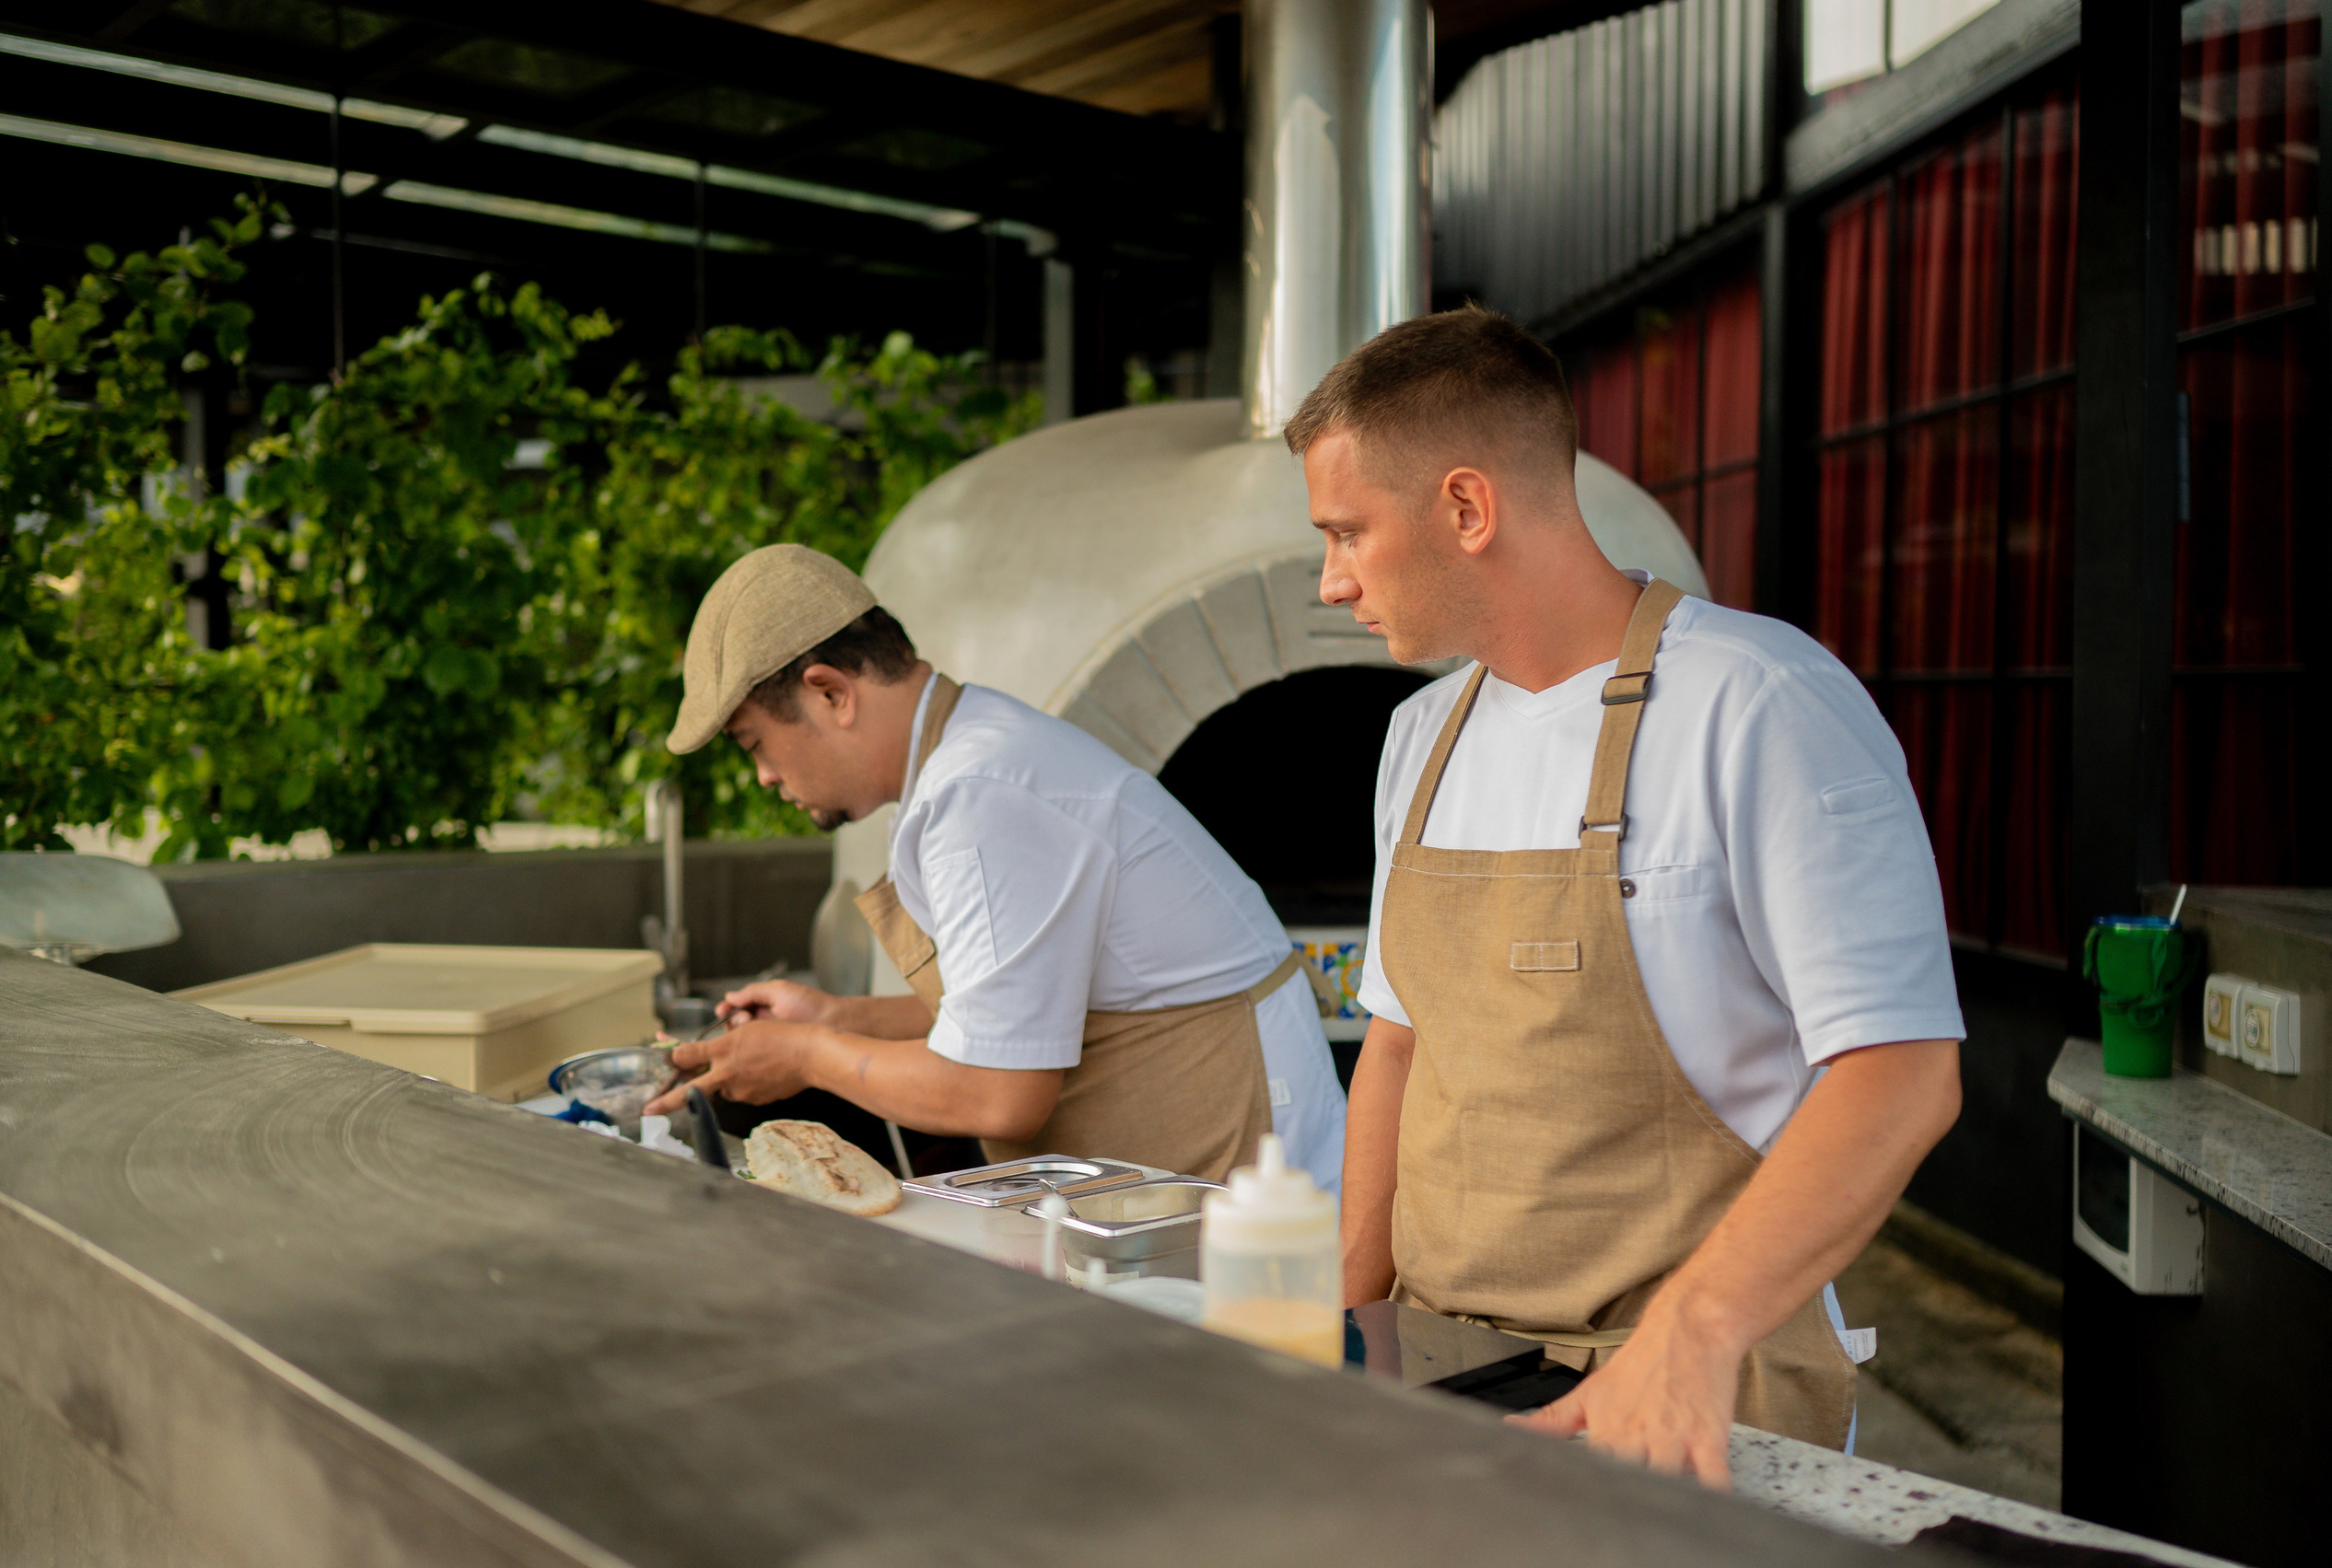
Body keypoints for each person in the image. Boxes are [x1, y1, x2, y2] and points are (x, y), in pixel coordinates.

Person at [1292, 306, 1963, 1482]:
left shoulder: (1760, 703)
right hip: (1444, 1369)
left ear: (1465, 506)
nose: (1329, 581)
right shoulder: (1419, 737)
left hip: (1683, 1396)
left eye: (1347, 533)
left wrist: (1691, 1334)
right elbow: (1396, 1049)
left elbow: (1901, 1075)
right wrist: (1346, 1324)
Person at [644, 544, 1347, 1191]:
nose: (764, 775)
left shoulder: (982, 792)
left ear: (830, 692)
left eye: (753, 743)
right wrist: (839, 1015)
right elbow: (1012, 1010)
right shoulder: (966, 759)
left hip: (1253, 1178)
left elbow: (996, 1089)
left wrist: (805, 1054)